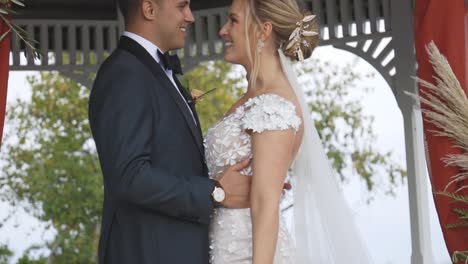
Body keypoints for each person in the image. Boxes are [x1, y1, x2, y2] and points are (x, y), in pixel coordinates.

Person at [88, 0, 253, 263]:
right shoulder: (124, 73)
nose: (191, 17)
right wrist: (214, 192)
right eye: (182, 6)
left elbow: (176, 161)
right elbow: (129, 176)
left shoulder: (156, 73)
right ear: (149, 9)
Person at [205, 0, 371, 262]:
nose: (223, 30)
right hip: (222, 247)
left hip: (247, 254)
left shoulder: (274, 105)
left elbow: (265, 202)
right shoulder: (251, 98)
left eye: (233, 20)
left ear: (263, 30)